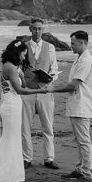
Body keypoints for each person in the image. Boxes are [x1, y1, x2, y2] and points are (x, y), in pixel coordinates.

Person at [0, 39, 49, 182]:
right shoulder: (10, 68)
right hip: (11, 106)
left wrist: (25, 76)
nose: (24, 58)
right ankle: (7, 171)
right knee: (10, 138)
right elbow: (20, 90)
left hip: (15, 103)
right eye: (23, 55)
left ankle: (11, 171)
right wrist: (40, 90)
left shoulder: (14, 67)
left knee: (13, 138)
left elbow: (23, 85)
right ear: (17, 53)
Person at [50, 30, 92, 182]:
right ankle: (80, 168)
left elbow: (73, 84)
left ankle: (87, 173)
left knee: (84, 140)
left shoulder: (85, 61)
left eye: (73, 43)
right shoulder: (80, 59)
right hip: (78, 103)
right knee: (80, 139)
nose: (71, 46)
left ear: (83, 43)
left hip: (82, 104)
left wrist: (52, 89)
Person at [20, 18, 61, 169]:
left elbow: (55, 68)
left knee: (48, 126)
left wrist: (51, 78)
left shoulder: (50, 47)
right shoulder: (23, 47)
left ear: (43, 30)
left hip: (44, 90)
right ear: (30, 29)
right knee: (25, 126)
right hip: (28, 90)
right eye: (35, 28)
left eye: (40, 29)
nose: (37, 31)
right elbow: (18, 68)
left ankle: (49, 158)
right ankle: (26, 158)